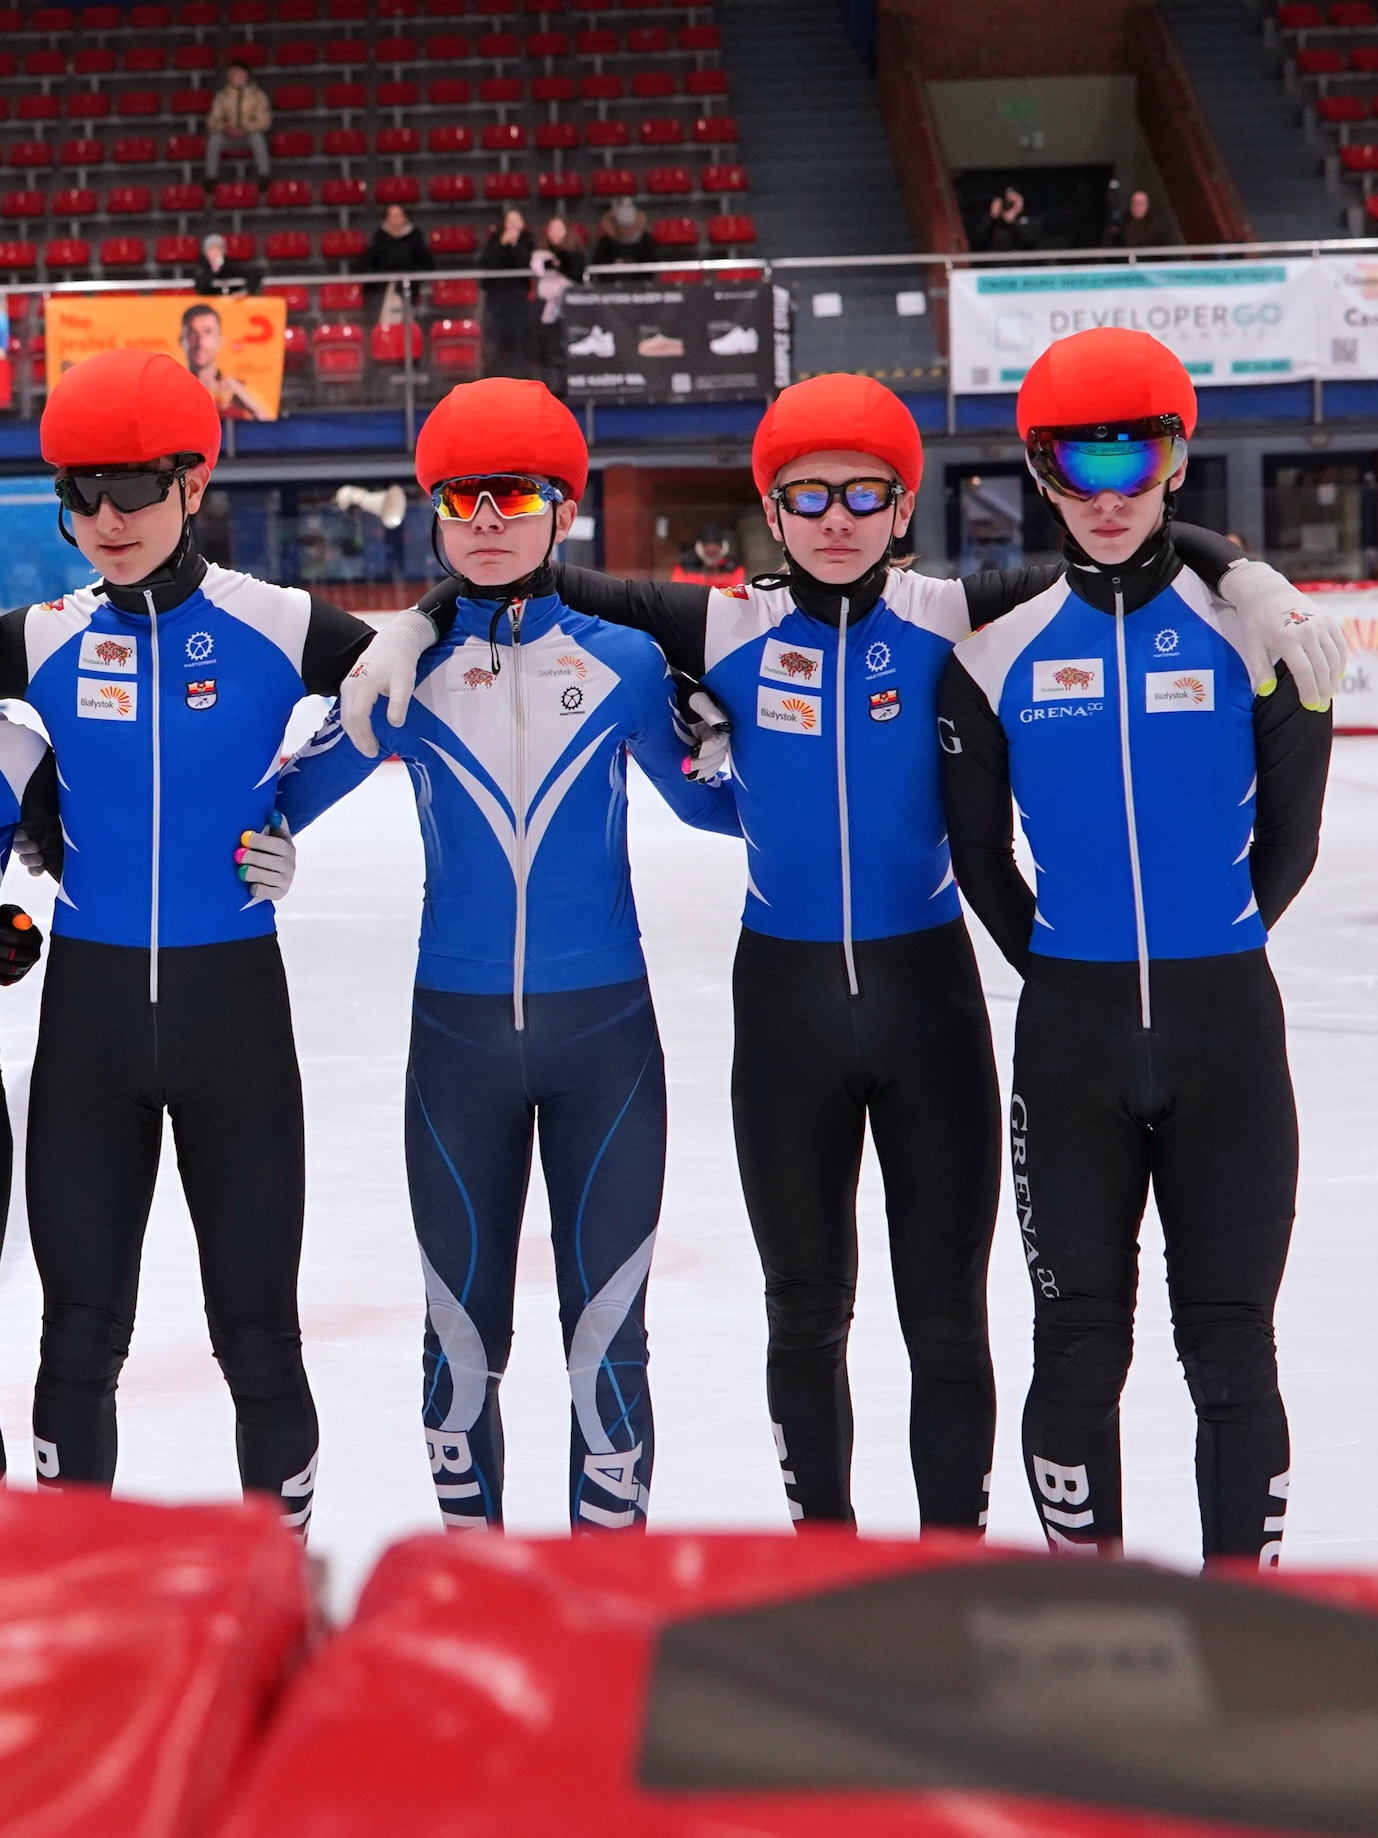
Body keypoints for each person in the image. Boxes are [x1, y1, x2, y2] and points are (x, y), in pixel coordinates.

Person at [340, 374, 1344, 1533]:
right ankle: (821, 1561)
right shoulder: (722, 627)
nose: (834, 519)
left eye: (862, 494)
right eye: (806, 495)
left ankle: (947, 1571)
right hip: (786, 1014)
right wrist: (411, 625)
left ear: (901, 506)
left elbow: (1119, 551)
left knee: (945, 1319)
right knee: (805, 1311)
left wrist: (1244, 573)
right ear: (771, 509)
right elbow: (519, 567)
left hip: (930, 1006)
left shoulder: (955, 612)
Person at [274, 379, 739, 1532]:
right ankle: (470, 1590)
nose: (486, 520)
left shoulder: (629, 662)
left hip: (606, 1044)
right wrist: (236, 840)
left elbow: (712, 809)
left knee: (606, 1342)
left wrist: (752, 748)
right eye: (460, 498)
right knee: (459, 1340)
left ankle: (597, 1595)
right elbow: (273, 804)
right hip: (458, 1048)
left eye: (514, 497)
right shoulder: (406, 670)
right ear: (433, 512)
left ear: (562, 509)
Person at [5, 347, 435, 1533]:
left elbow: (405, 694)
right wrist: (29, 803)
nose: (106, 520)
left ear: (193, 483)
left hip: (232, 1022)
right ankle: (79, 1596)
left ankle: (277, 1588)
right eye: (81, 494)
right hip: (87, 1030)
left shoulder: (276, 620)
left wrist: (288, 805)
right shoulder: (39, 636)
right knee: (75, 1336)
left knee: (257, 1335)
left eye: (134, 489)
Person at [938, 328, 1332, 1565]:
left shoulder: (1258, 635)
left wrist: (1206, 943)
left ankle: (1239, 1619)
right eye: (1077, 466)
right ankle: (1084, 1619)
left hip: (1227, 1031)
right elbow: (982, 867)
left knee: (1231, 1347)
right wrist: (1072, 967)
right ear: (1039, 474)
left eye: (1135, 461)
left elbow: (1291, 843)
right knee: (1076, 1347)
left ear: (1175, 462)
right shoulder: (989, 653)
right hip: (1072, 1040)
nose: (1107, 498)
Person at [180, 301, 270, 422]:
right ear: (182, 340)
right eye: (193, 333)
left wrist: (239, 393)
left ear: (220, 340)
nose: (200, 342)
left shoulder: (238, 387)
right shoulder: (173, 389)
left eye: (207, 332)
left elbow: (269, 421)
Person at [478, 209, 536, 379]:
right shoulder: (494, 240)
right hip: (496, 299)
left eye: (517, 221)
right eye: (510, 221)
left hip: (518, 299)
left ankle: (521, 377)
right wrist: (503, 244)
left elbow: (526, 264)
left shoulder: (528, 241)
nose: (513, 226)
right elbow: (487, 264)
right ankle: (493, 378)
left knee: (520, 341)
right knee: (495, 341)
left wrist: (515, 245)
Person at [532, 216, 585, 400]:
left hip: (570, 308)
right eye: (552, 229)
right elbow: (538, 268)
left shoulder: (574, 252)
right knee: (549, 346)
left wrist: (558, 265)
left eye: (559, 229)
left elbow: (576, 272)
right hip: (546, 309)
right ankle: (551, 386)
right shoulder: (541, 253)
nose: (555, 233)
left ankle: (568, 386)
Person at [359, 203, 435, 325]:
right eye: (392, 216)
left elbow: (425, 263)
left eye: (398, 215)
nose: (395, 219)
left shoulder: (415, 236)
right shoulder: (380, 236)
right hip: (382, 287)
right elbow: (370, 262)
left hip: (409, 286)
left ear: (405, 217)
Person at [205, 60, 271, 183]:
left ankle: (264, 175)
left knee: (257, 137)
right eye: (233, 74)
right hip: (228, 135)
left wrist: (245, 128)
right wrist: (227, 128)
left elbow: (264, 120)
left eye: (238, 73)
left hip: (249, 135)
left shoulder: (258, 96)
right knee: (214, 139)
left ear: (246, 75)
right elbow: (213, 120)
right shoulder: (222, 96)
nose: (235, 76)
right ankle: (211, 178)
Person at [671, 523, 745, 589]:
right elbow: (677, 590)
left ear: (722, 546)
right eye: (708, 545)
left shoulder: (733, 567)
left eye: (716, 545)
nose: (712, 549)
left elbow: (737, 591)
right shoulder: (685, 566)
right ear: (701, 546)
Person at [193, 232, 263, 298]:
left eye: (217, 249)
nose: (214, 253)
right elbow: (201, 289)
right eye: (211, 250)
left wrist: (244, 292)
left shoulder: (232, 266)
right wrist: (214, 272)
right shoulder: (202, 269)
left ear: (223, 251)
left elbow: (254, 276)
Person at [592, 198, 654, 268]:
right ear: (617, 227)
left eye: (631, 227)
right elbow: (599, 265)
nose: (628, 230)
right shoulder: (606, 242)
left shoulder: (645, 241)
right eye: (624, 227)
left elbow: (651, 264)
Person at [971, 187, 1036, 254]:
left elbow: (1030, 245)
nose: (1010, 204)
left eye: (1014, 201)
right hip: (994, 258)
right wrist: (992, 217)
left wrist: (1011, 223)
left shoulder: (1030, 221)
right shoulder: (991, 222)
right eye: (1007, 201)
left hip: (1020, 259)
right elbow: (977, 243)